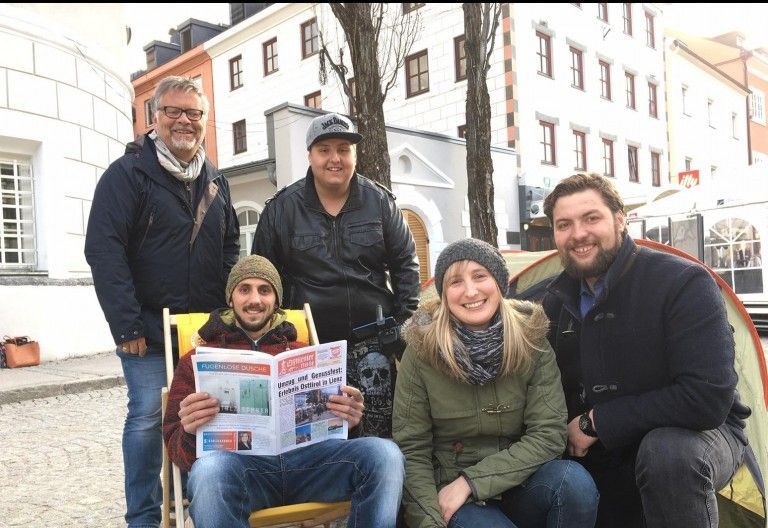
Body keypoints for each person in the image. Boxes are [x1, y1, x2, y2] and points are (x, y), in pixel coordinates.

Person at [540, 173, 751, 527]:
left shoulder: (683, 283)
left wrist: (597, 421)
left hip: (699, 435)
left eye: (591, 218)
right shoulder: (553, 302)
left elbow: (706, 398)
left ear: (621, 219)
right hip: (602, 451)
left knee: (667, 453)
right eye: (565, 224)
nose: (578, 234)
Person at [84, 76, 240, 527]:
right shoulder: (128, 174)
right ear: (154, 118)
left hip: (204, 329)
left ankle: (202, 503)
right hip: (146, 329)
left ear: (205, 122)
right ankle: (144, 516)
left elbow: (230, 246)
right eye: (173, 111)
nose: (183, 121)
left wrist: (224, 313)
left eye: (193, 113)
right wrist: (127, 325)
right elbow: (104, 249)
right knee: (148, 418)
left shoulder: (217, 180)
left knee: (205, 416)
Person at [163, 255, 405, 528]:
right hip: (244, 473)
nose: (255, 299)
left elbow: (338, 434)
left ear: (276, 300)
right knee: (208, 471)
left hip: (310, 468)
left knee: (385, 455)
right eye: (245, 289)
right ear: (231, 298)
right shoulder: (197, 360)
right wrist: (188, 430)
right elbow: (176, 450)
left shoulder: (307, 353)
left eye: (264, 290)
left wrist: (349, 420)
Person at [393, 238, 598, 528]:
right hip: (455, 497)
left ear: (499, 283)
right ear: (443, 293)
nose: (470, 291)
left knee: (573, 483)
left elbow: (549, 433)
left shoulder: (531, 340)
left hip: (521, 483)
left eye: (480, 276)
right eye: (455, 282)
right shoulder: (422, 351)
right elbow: (412, 450)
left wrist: (471, 482)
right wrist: (431, 522)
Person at [252, 112, 420, 438]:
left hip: (374, 345)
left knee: (378, 438)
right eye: (324, 149)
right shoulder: (281, 209)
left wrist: (403, 324)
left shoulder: (380, 202)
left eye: (343, 149)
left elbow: (406, 265)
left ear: (354, 154)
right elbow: (262, 277)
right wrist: (276, 336)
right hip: (308, 350)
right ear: (310, 155)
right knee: (315, 438)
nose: (335, 159)